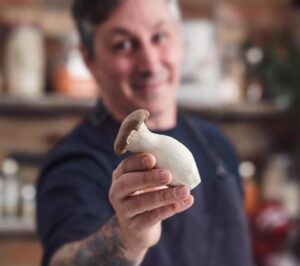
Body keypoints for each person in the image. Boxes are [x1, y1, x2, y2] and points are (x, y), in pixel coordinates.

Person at [37, 0, 252, 265]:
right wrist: (128, 238)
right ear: (89, 59)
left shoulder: (215, 144)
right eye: (124, 45)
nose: (150, 64)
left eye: (159, 36)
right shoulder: (73, 165)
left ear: (180, 41)